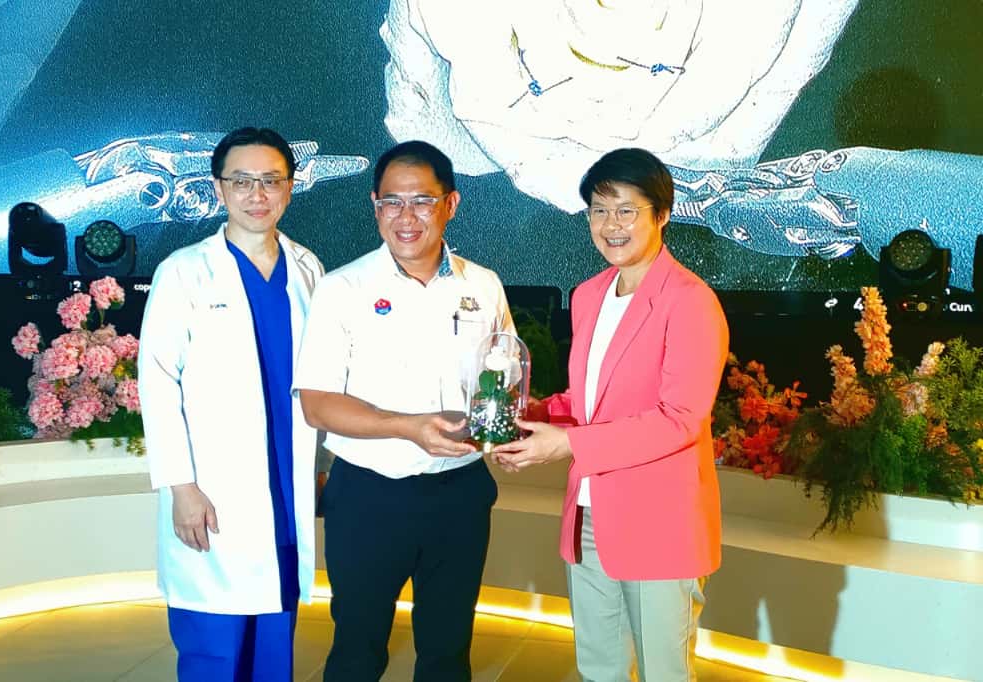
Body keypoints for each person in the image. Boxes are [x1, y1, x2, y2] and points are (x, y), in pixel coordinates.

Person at [493, 148, 729, 681]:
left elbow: (680, 419)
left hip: (659, 520)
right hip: (589, 515)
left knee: (664, 672)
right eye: (599, 211)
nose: (610, 225)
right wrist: (526, 416)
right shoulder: (589, 295)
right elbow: (588, 401)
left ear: (661, 215)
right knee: (599, 668)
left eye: (626, 210)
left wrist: (567, 444)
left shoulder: (689, 301)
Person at [296, 140, 514, 681]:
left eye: (422, 200)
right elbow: (318, 405)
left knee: (447, 649)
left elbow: (506, 375)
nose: (406, 216)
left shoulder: (483, 285)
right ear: (374, 206)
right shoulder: (343, 288)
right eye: (391, 201)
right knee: (358, 648)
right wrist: (407, 428)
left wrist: (505, 423)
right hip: (369, 495)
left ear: (451, 204)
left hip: (460, 492)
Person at [138, 127, 325, 682]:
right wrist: (182, 487)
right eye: (241, 182)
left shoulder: (307, 268)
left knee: (274, 641)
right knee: (214, 647)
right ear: (219, 189)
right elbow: (158, 382)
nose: (256, 194)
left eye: (270, 180)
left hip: (285, 485)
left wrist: (323, 464)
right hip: (213, 489)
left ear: (290, 188)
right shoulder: (184, 271)